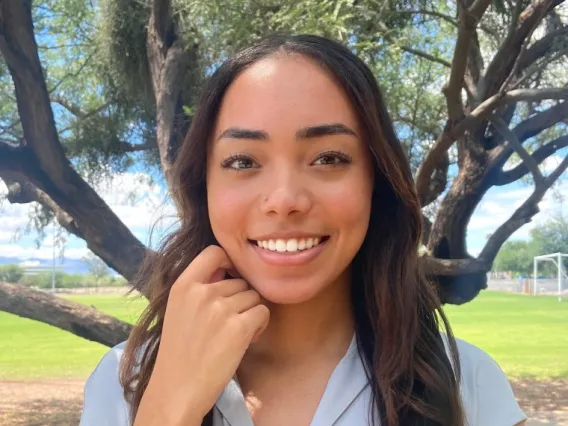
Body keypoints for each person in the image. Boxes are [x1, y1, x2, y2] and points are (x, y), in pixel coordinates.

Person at [79, 34, 527, 426]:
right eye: (243, 161)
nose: (284, 199)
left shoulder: (466, 382)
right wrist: (167, 409)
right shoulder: (126, 380)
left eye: (329, 158)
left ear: (377, 181)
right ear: (204, 188)